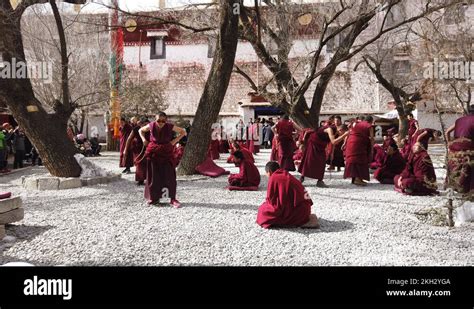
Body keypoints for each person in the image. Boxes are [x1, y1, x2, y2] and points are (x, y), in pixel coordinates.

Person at [139, 112, 186, 207]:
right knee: (154, 175)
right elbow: (140, 130)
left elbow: (183, 132)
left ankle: (172, 198)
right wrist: (143, 139)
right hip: (154, 153)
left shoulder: (169, 126)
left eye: (163, 121)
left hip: (166, 152)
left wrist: (173, 142)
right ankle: (154, 198)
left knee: (169, 175)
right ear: (155, 120)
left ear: (166, 120)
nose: (160, 123)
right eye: (158, 121)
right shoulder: (151, 126)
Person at [256, 161, 319, 229]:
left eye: (266, 173)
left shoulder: (274, 177)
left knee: (262, 211)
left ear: (269, 171)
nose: (266, 175)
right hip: (305, 211)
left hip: (298, 215)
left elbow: (271, 200)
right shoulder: (286, 174)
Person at [298, 119, 348, 187]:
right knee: (309, 161)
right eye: (343, 133)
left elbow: (333, 144)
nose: (341, 135)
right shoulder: (330, 129)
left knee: (321, 162)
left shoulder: (337, 133)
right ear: (341, 130)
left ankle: (319, 181)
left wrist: (332, 153)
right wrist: (344, 135)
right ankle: (302, 178)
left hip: (321, 146)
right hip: (314, 143)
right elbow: (333, 141)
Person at [445, 106, 474, 195]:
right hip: (468, 145)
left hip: (455, 145)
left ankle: (451, 185)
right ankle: (467, 189)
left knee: (454, 164)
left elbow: (447, 132)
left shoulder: (459, 120)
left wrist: (449, 143)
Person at [343, 115, 375, 186]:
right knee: (360, 160)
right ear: (371, 121)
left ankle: (355, 179)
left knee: (354, 160)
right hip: (359, 144)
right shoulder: (369, 126)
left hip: (351, 143)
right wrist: (372, 148)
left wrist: (344, 143)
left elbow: (349, 131)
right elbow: (372, 138)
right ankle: (357, 179)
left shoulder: (356, 124)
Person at [125, 118, 150, 185]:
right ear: (141, 124)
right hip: (138, 148)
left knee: (149, 163)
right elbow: (129, 139)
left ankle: (149, 179)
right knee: (140, 163)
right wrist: (125, 150)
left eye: (147, 124)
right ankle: (140, 179)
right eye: (144, 124)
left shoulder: (151, 129)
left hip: (149, 147)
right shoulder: (136, 129)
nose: (146, 126)